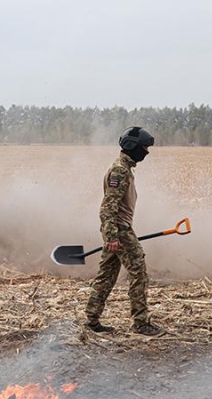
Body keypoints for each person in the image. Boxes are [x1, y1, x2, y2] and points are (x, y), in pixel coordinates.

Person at [84, 126, 163, 336]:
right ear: (132, 146)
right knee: (139, 271)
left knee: (107, 275)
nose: (147, 151)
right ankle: (141, 323)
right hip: (119, 229)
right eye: (144, 147)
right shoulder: (120, 170)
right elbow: (108, 206)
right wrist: (111, 236)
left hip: (120, 228)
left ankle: (91, 320)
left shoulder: (125, 168)